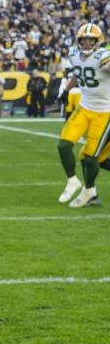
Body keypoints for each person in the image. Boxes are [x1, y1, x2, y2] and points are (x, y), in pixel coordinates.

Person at [57, 23, 110, 208]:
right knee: (64, 144)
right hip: (85, 107)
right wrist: (66, 91)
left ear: (98, 41)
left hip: (105, 113)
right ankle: (73, 181)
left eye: (91, 40)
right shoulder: (74, 54)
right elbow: (79, 74)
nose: (87, 43)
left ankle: (90, 192)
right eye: (84, 40)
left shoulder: (103, 56)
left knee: (90, 157)